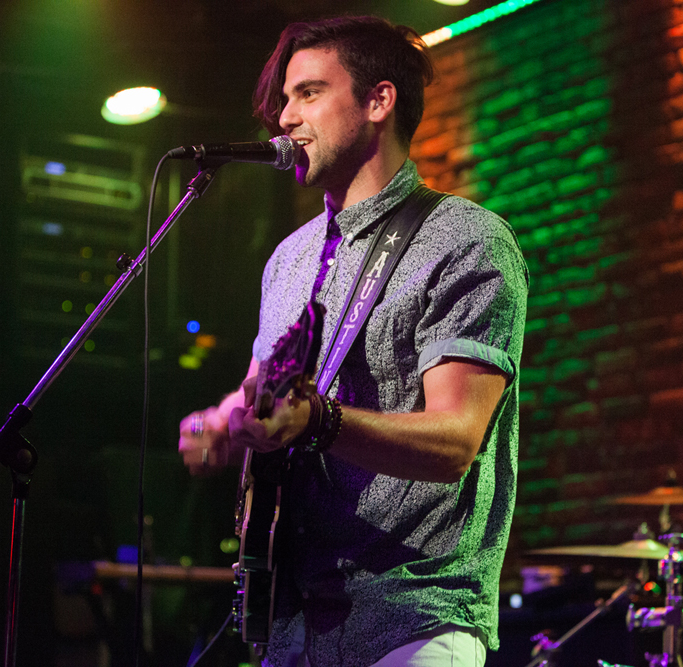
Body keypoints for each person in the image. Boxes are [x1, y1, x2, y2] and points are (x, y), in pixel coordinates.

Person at [178, 16, 528, 667]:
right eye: (284, 98)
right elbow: (269, 387)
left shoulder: (464, 239)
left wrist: (320, 419)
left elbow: (456, 440)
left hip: (413, 619)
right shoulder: (289, 259)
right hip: (294, 621)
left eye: (308, 92)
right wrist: (224, 421)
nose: (284, 117)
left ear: (378, 101)